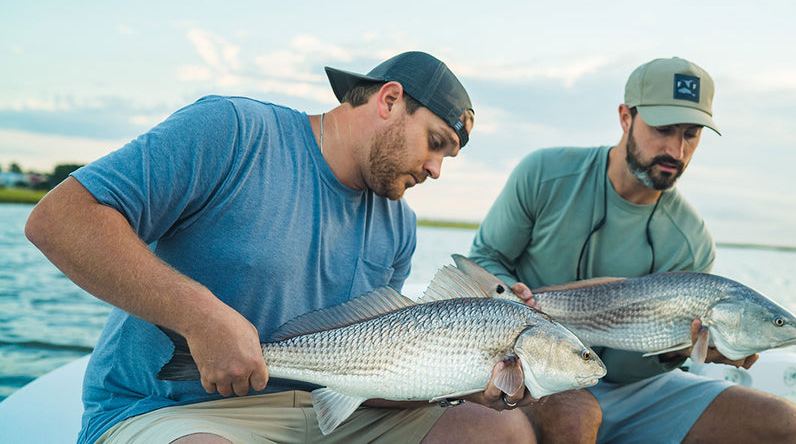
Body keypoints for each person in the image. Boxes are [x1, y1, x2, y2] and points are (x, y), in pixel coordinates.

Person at [26, 51, 535, 444]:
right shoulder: (233, 132)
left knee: (499, 432)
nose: (436, 170)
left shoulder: (399, 224)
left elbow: (369, 378)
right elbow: (59, 219)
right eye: (435, 142)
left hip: (325, 412)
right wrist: (201, 317)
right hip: (171, 406)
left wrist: (460, 376)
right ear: (389, 100)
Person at [468, 56, 796, 443]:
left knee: (787, 425)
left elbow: (672, 354)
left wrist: (693, 349)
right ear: (625, 118)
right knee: (578, 415)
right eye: (663, 129)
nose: (676, 151)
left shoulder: (692, 239)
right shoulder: (545, 174)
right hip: (540, 373)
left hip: (640, 391)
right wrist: (517, 300)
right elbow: (484, 259)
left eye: (691, 134)